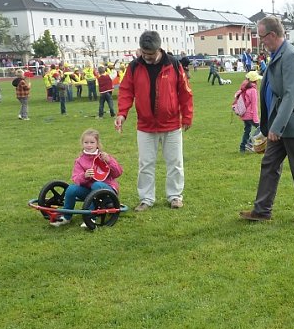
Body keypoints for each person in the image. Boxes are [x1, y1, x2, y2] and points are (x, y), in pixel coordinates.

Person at [239, 16, 294, 226]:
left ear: (272, 35)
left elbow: (291, 95)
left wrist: (277, 126)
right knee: (269, 164)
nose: (260, 41)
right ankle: (262, 210)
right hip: (278, 124)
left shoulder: (290, 55)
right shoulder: (277, 54)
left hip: (290, 125)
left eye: (262, 36)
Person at [115, 30, 194, 211]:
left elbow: (185, 92)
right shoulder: (134, 67)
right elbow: (126, 91)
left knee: (175, 162)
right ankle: (146, 198)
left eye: (150, 54)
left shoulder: (174, 65)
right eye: (143, 53)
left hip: (172, 124)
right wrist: (122, 113)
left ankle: (175, 196)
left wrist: (187, 116)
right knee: (145, 164)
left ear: (159, 49)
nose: (146, 57)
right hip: (145, 126)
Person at [50, 129, 123, 228]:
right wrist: (84, 176)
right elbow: (76, 179)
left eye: (92, 142)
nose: (89, 145)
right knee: (71, 189)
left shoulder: (104, 157)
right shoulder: (80, 160)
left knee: (96, 185)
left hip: (107, 190)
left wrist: (109, 161)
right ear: (82, 144)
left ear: (97, 144)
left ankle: (91, 217)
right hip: (89, 191)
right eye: (86, 142)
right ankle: (66, 217)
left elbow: (118, 173)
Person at [235, 70, 261, 153]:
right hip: (250, 114)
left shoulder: (244, 88)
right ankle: (249, 143)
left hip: (244, 114)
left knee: (247, 130)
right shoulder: (253, 90)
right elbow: (254, 105)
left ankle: (242, 147)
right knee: (261, 128)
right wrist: (256, 118)